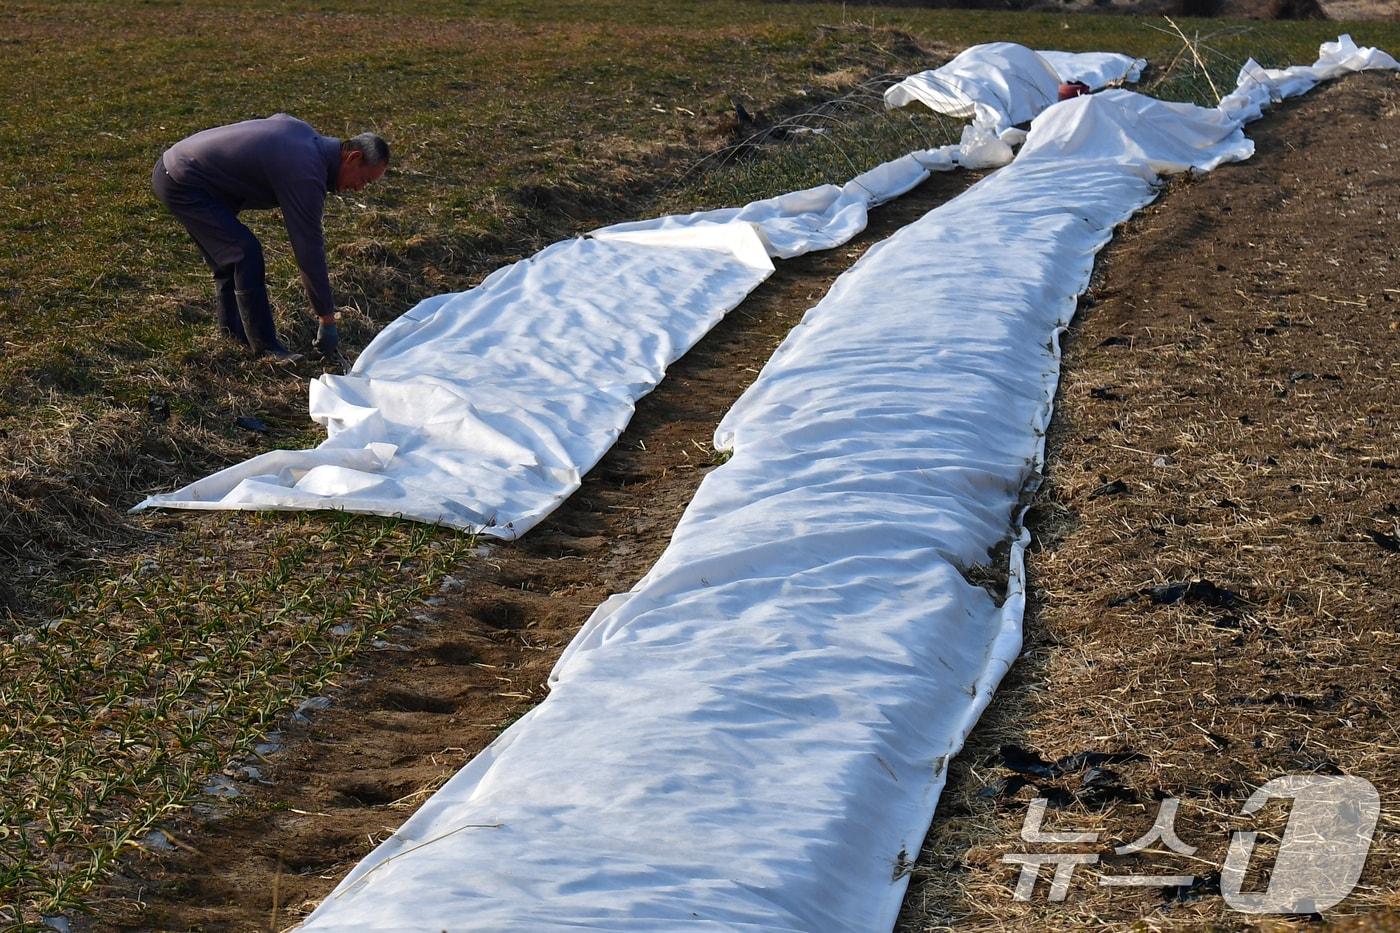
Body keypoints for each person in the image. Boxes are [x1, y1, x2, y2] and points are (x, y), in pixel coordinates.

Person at [152, 114, 389, 361]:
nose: (359, 189)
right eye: (363, 180)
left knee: (231, 259)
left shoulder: (306, 139)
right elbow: (308, 248)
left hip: (181, 169)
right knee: (245, 253)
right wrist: (326, 317)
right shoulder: (306, 170)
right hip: (184, 181)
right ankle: (266, 348)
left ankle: (232, 336)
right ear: (353, 157)